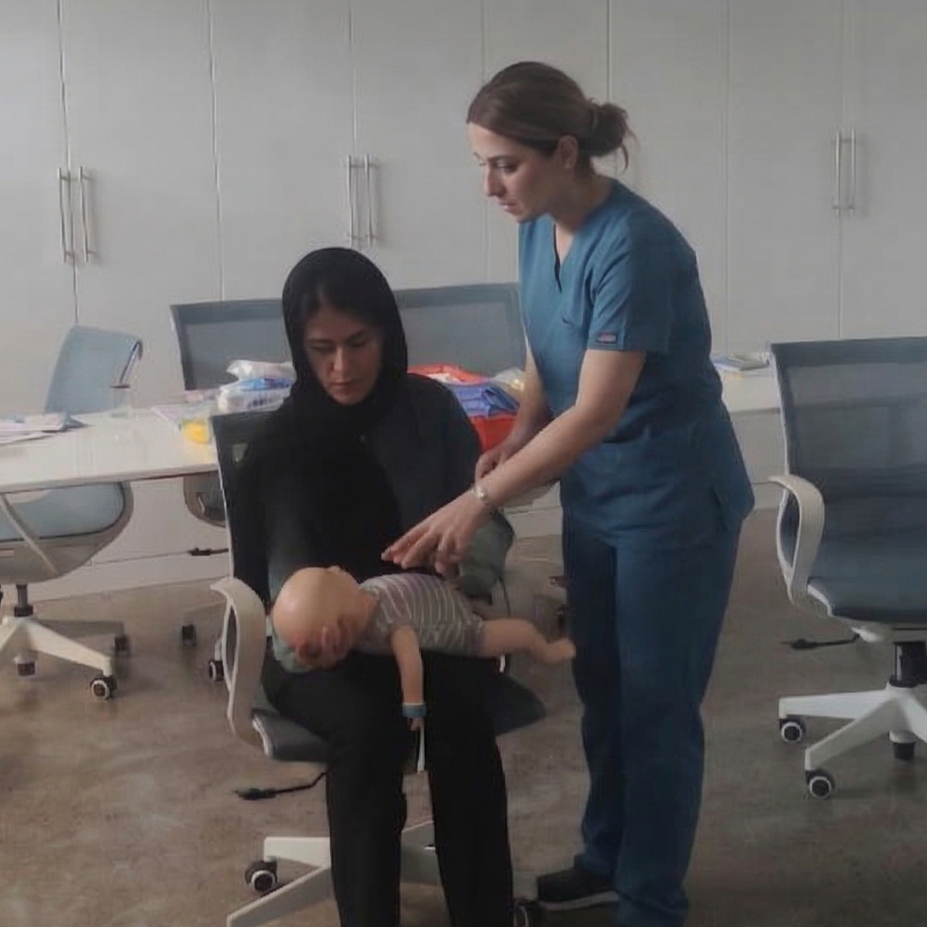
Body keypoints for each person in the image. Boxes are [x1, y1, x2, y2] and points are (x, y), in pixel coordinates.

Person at [383, 62, 755, 927]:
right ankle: (606, 856)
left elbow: (595, 410)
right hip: (597, 498)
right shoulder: (537, 224)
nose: (488, 186)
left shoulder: (635, 244)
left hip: (670, 502)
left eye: (504, 164)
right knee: (602, 687)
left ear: (562, 151)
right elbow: (548, 344)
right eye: (481, 164)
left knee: (656, 708)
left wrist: (478, 502)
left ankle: (650, 899)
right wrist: (520, 427)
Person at [232, 247, 520, 927]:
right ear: (299, 347)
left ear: (387, 334)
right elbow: (277, 593)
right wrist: (313, 636)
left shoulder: (430, 412)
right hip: (316, 650)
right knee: (366, 731)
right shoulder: (283, 445)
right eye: (321, 348)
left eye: (358, 343)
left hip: (422, 621)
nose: (342, 366)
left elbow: (486, 528)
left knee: (461, 717)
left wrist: (461, 559)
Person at [272, 565, 575, 726]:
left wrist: (414, 705)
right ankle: (482, 607)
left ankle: (548, 651)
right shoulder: (363, 594)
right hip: (441, 593)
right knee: (487, 612)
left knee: (518, 633)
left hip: (458, 627)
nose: (336, 568)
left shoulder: (389, 622)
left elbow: (411, 662)